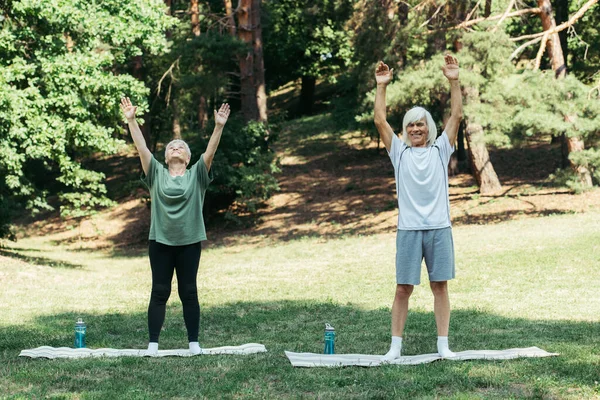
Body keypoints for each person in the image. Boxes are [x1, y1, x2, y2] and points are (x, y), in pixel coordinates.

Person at [119, 97, 230, 355]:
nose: (176, 148)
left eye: (181, 147)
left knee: (189, 291)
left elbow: (210, 152)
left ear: (189, 158)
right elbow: (142, 149)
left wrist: (219, 126)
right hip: (160, 242)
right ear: (166, 157)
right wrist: (132, 120)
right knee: (159, 291)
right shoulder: (155, 173)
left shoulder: (197, 175)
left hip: (189, 242)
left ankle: (194, 344)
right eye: (171, 147)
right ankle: (153, 345)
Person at [373, 55, 462, 361]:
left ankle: (443, 346)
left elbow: (457, 116)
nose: (414, 128)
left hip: (439, 228)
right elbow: (379, 121)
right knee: (402, 289)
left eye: (420, 124)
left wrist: (453, 81)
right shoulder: (399, 153)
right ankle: (394, 347)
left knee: (440, 286)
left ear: (428, 128)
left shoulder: (440, 150)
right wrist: (381, 86)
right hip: (409, 231)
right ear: (406, 129)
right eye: (410, 124)